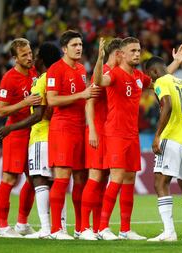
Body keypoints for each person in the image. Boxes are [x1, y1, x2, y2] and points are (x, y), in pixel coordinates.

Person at [93, 37, 182, 240]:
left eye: (138, 50)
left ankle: (125, 230)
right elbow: (99, 81)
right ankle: (102, 228)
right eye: (133, 50)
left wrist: (176, 62)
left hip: (131, 134)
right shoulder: (114, 73)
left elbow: (162, 78)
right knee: (116, 178)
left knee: (129, 179)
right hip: (115, 133)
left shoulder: (138, 77)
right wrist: (100, 60)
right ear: (122, 54)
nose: (137, 53)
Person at [46, 30, 100, 240]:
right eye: (74, 45)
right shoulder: (55, 69)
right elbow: (51, 100)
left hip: (80, 128)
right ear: (64, 48)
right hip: (62, 129)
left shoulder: (81, 69)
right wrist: (82, 94)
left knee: (81, 178)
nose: (79, 48)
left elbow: (86, 99)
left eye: (80, 44)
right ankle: (56, 230)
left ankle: (80, 228)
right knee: (62, 178)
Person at [145, 56, 182, 242]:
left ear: (153, 72)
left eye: (150, 76)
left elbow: (166, 104)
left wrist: (158, 135)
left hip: (172, 136)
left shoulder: (161, 81)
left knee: (160, 182)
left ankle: (169, 232)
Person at [0, 38, 41, 238]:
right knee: (9, 179)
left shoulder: (33, 73)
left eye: (30, 53)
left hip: (32, 132)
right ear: (15, 58)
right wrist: (25, 102)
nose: (30, 58)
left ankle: (22, 223)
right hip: (15, 134)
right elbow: (0, 111)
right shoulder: (8, 79)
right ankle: (3, 227)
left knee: (32, 179)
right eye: (24, 55)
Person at [79, 38, 123, 240]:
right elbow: (89, 103)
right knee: (95, 178)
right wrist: (93, 130)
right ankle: (83, 227)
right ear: (117, 54)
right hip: (97, 132)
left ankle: (97, 228)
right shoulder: (103, 72)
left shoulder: (118, 74)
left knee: (104, 179)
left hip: (110, 134)